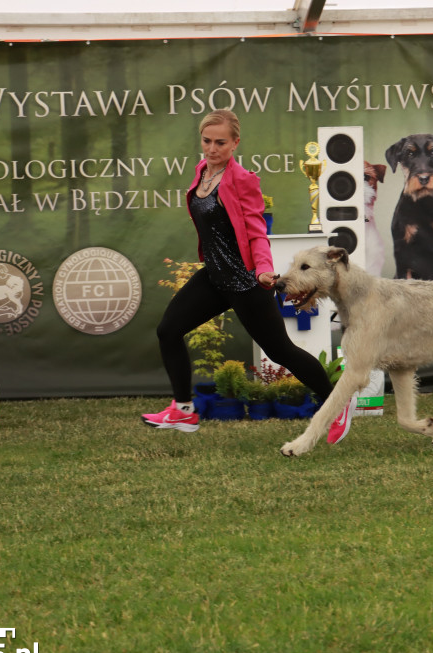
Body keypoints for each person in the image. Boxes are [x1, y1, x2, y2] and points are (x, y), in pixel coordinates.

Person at [142, 109, 356, 442]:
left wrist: (262, 269)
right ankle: (183, 411)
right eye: (207, 141)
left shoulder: (242, 179)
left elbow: (256, 230)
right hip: (214, 277)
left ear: (235, 143)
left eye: (220, 143)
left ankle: (336, 402)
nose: (212, 149)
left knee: (280, 351)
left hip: (245, 283)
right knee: (168, 330)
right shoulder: (202, 172)